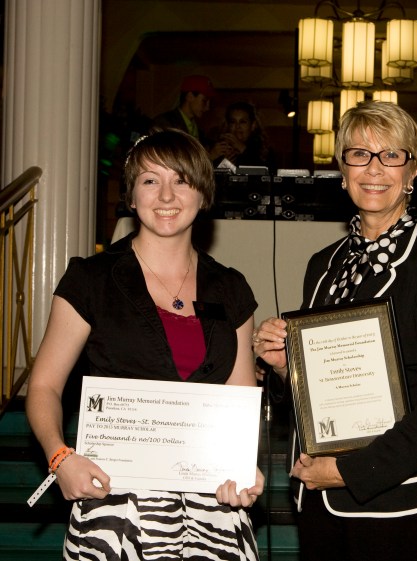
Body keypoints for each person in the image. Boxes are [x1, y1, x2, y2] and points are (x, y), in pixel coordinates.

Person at [253, 101, 417, 561]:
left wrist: (353, 471)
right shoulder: (324, 265)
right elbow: (318, 389)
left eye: (391, 155)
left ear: (412, 171)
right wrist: (282, 367)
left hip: (396, 502)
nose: (374, 169)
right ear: (342, 168)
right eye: (358, 154)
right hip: (319, 496)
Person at [26, 128, 263, 561]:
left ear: (203, 193)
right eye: (151, 180)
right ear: (132, 196)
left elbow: (240, 398)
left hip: (214, 509)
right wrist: (60, 456)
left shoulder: (230, 288)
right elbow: (43, 387)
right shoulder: (91, 280)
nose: (167, 195)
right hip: (115, 505)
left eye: (182, 180)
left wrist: (243, 466)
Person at [210, 102, 275, 171]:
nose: (237, 126)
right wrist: (211, 158)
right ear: (228, 125)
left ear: (253, 125)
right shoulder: (219, 148)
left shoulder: (264, 151)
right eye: (233, 122)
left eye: (242, 122)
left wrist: (242, 149)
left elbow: (267, 173)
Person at [153, 75, 216, 140]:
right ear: (190, 96)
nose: (207, 108)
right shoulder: (165, 124)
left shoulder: (198, 128)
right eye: (204, 101)